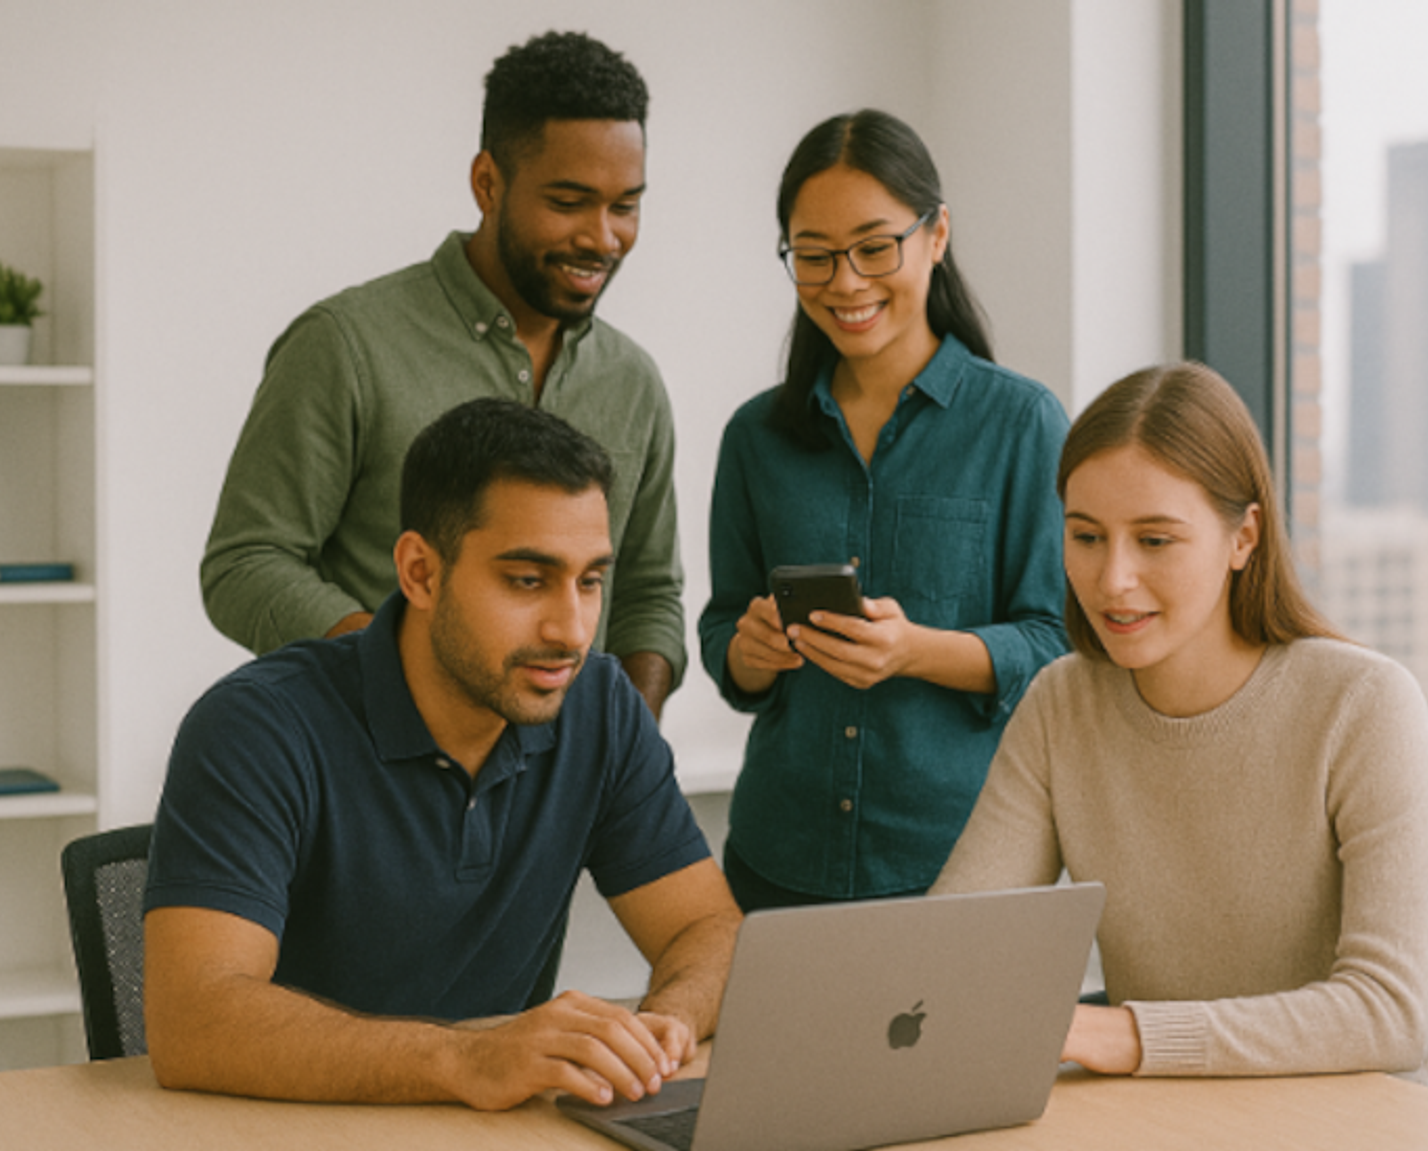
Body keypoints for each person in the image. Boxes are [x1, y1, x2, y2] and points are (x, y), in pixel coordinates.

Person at [145, 399, 741, 1111]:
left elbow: (706, 928)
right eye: (527, 580)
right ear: (421, 572)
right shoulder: (257, 726)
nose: (571, 628)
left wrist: (665, 1024)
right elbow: (194, 1020)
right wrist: (465, 1058)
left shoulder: (601, 707)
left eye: (589, 580)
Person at [932, 361, 1428, 1087]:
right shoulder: (1062, 702)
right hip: (1166, 1109)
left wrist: (1127, 1033)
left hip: (1356, 1116)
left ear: (1244, 538)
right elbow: (951, 946)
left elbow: (1389, 1013)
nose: (1112, 579)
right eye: (1086, 536)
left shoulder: (1364, 703)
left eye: (1154, 540)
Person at [201, 30, 683, 717]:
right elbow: (245, 562)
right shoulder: (344, 345)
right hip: (369, 777)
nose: (602, 237)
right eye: (569, 202)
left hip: (561, 808)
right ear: (488, 183)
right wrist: (401, 676)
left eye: (625, 206)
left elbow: (649, 594)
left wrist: (621, 753)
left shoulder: (634, 382)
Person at [697, 109, 1070, 911]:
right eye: (815, 256)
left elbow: (1058, 645)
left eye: (874, 247)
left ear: (936, 236)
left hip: (959, 865)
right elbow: (722, 632)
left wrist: (915, 650)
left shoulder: (1023, 424)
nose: (846, 282)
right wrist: (751, 650)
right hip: (777, 857)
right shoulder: (755, 437)